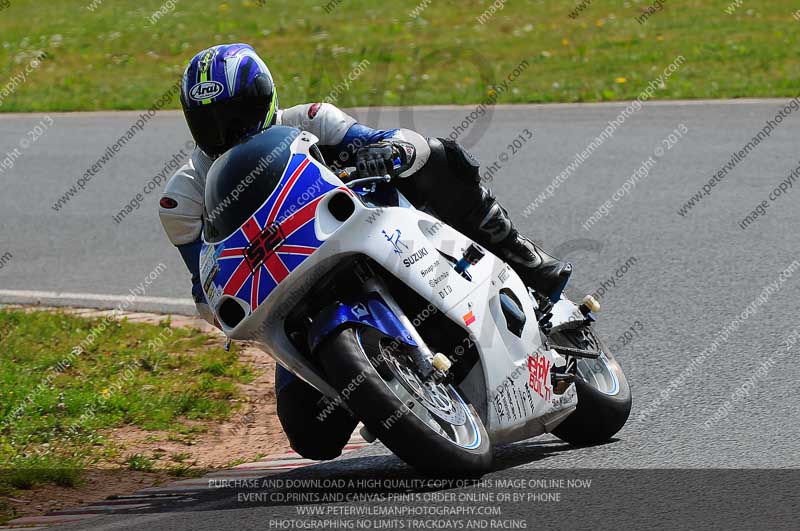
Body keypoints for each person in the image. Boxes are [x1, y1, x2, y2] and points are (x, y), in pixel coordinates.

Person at [158, 43, 571, 460]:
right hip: (289, 289)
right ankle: (387, 385)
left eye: (237, 113)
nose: (227, 131)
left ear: (266, 99)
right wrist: (211, 300)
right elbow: (205, 278)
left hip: (384, 236)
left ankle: (523, 257)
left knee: (438, 157)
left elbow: (379, 141)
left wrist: (391, 149)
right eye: (209, 122)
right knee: (311, 437)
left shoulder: (312, 120)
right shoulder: (183, 197)